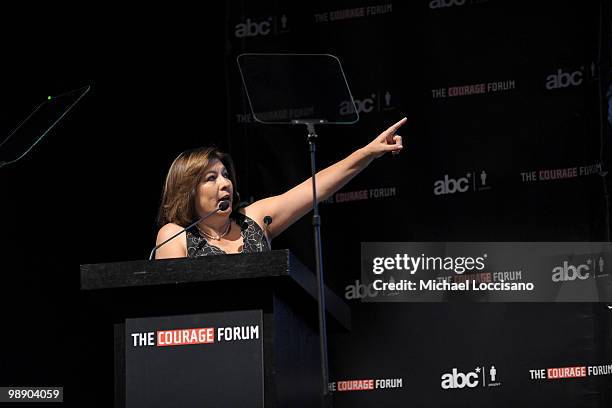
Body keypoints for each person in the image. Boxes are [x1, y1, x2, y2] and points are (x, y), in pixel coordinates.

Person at [154, 118, 406, 259]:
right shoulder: (175, 236)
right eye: (210, 178)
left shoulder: (254, 221)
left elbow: (315, 188)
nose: (225, 183)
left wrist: (367, 153)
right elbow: (176, 310)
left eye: (226, 175)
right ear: (188, 190)